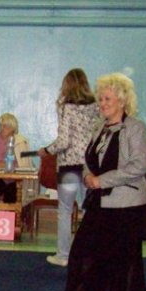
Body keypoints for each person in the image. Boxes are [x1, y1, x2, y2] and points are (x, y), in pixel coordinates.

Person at [48, 72, 146, 291]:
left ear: (122, 101)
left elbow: (139, 166)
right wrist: (87, 176)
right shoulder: (99, 128)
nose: (102, 103)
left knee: (123, 257)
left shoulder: (136, 128)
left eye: (107, 99)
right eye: (101, 98)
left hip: (127, 203)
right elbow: (88, 160)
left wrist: (101, 181)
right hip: (100, 202)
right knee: (83, 249)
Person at [38, 68, 99, 267]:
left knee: (65, 210)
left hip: (70, 166)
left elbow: (63, 141)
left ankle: (63, 255)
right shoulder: (95, 106)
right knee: (89, 210)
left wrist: (47, 150)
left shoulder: (66, 107)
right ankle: (89, 253)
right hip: (90, 164)